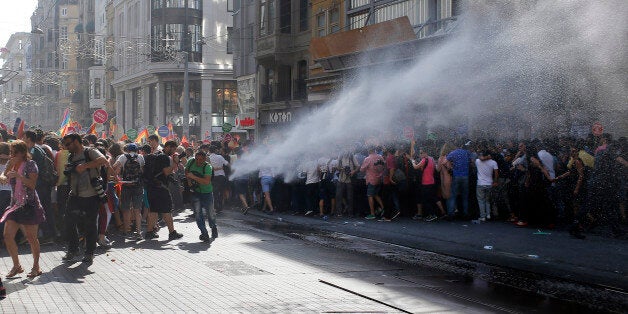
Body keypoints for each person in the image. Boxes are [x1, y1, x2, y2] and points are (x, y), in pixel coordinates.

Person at [0, 140, 46, 278]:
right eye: (10, 152)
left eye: (13, 152)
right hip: (15, 204)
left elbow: (32, 185)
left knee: (31, 237)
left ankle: (36, 266)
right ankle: (16, 266)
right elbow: (3, 175)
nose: (10, 155)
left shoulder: (31, 165)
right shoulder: (11, 163)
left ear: (21, 152)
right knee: (7, 236)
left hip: (29, 205)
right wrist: (3, 177)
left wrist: (19, 176)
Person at [61, 133, 109, 264]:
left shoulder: (90, 151)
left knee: (90, 225)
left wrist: (85, 166)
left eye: (68, 144)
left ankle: (89, 253)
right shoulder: (71, 156)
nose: (66, 147)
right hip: (74, 194)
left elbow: (103, 160)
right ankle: (73, 249)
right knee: (68, 222)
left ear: (76, 141)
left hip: (90, 195)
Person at [143, 140, 183, 240]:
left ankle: (149, 232)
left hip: (151, 186)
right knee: (167, 210)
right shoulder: (164, 157)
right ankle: (172, 233)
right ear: (168, 147)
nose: (173, 152)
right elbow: (166, 172)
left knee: (154, 211)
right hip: (161, 188)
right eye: (173, 149)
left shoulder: (156, 155)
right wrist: (175, 162)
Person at [112, 143, 144, 241]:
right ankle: (138, 232)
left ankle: (126, 231)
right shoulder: (140, 157)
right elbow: (142, 170)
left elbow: (114, 166)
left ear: (127, 150)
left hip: (126, 185)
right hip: (137, 185)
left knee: (126, 209)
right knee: (137, 210)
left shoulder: (123, 157)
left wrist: (117, 176)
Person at [185, 150, 217, 242]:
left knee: (210, 214)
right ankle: (204, 233)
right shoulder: (191, 162)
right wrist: (190, 183)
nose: (198, 162)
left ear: (205, 159)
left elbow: (206, 182)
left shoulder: (208, 167)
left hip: (207, 193)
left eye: (200, 160)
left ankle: (213, 227)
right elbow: (186, 171)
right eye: (197, 159)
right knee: (198, 214)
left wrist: (193, 177)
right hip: (195, 193)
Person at [446, 141, 472, 219]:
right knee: (465, 196)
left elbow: (447, 162)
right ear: (461, 145)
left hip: (456, 176)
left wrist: (450, 168)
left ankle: (451, 214)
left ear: (455, 146)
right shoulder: (466, 152)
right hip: (465, 176)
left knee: (453, 196)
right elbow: (471, 161)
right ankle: (465, 214)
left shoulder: (452, 153)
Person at [360, 146, 385, 220]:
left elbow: (362, 169)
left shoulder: (368, 158)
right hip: (380, 179)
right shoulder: (380, 157)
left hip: (371, 179)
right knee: (376, 194)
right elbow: (383, 166)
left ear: (369, 150)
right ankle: (383, 208)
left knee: (370, 195)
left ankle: (372, 213)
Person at [475, 151, 499, 221]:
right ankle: (488, 215)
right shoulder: (494, 162)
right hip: (489, 183)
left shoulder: (477, 161)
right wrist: (495, 181)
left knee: (481, 200)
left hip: (480, 183)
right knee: (487, 200)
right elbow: (496, 173)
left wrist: (482, 158)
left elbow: (479, 158)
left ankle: (482, 216)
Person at [208, 145, 229, 212]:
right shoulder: (220, 157)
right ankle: (220, 207)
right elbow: (227, 164)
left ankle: (216, 207)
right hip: (222, 176)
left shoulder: (208, 158)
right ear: (215, 150)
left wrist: (215, 169)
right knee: (221, 192)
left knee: (215, 192)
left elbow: (210, 168)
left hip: (214, 177)